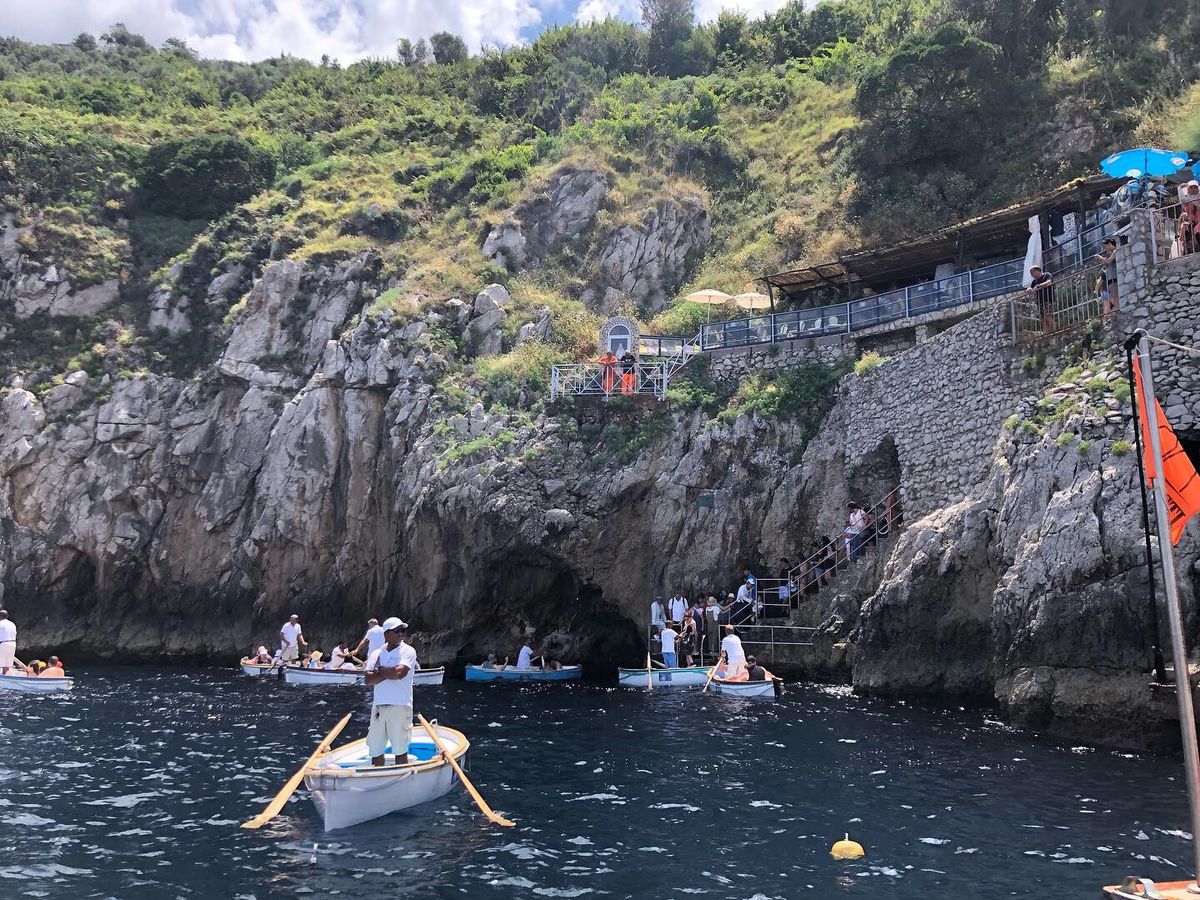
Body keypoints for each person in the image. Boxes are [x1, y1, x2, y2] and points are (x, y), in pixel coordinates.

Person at [364, 617, 418, 767]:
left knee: (400, 750)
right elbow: (368, 679)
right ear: (386, 634)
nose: (402, 634)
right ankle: (377, 776)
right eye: (397, 631)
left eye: (403, 630)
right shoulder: (376, 653)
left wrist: (379, 670)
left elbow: (399, 673)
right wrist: (389, 673)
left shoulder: (408, 651)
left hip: (400, 706)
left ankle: (401, 777)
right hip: (378, 707)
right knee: (375, 751)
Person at [1027, 265, 1055, 333]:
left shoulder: (1047, 275)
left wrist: (1039, 286)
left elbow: (1049, 282)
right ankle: (1047, 333)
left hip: (1048, 299)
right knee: (1043, 318)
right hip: (1040, 302)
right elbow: (1030, 289)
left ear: (1037, 271)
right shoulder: (1034, 281)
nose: (1031, 275)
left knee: (1048, 316)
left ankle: (1054, 331)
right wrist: (1029, 289)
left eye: (1032, 273)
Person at [1095, 238, 1119, 315]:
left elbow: (1109, 261)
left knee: (1115, 297)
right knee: (1113, 297)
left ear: (1109, 244)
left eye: (1105, 246)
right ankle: (1116, 311)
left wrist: (1100, 257)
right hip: (1111, 278)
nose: (1104, 249)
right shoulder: (1111, 253)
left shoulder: (1115, 251)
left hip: (1114, 278)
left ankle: (1117, 311)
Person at [0, 609, 16, 675]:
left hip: (3, 643)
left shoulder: (0, 623)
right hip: (13, 644)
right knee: (6, 665)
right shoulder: (12, 624)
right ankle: (5, 676)